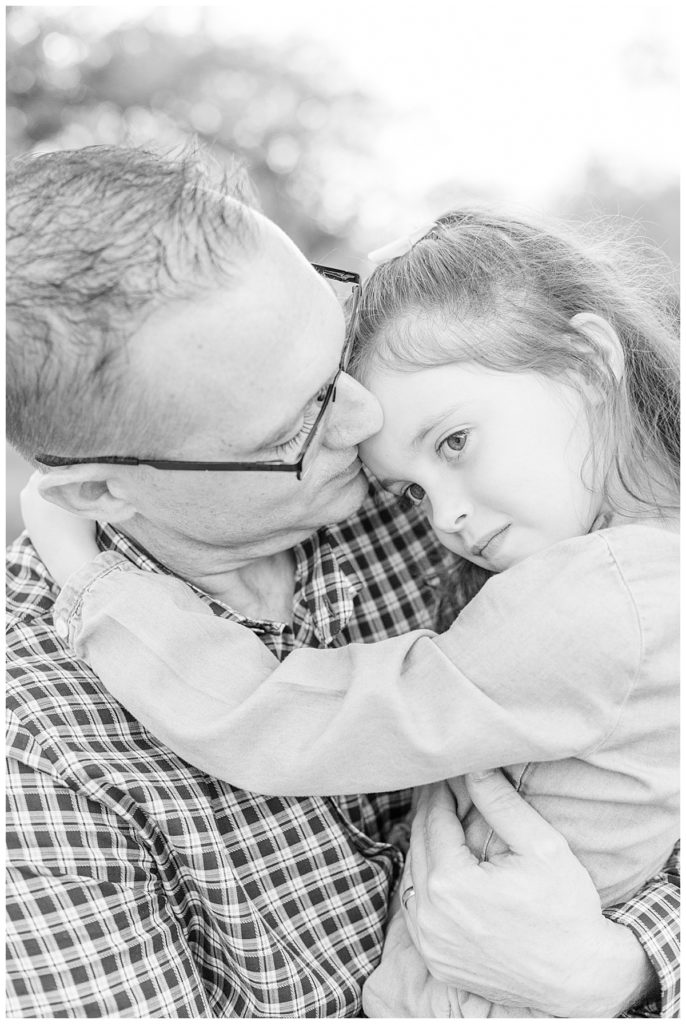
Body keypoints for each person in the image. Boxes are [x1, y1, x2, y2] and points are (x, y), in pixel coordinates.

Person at [6, 147, 679, 1018]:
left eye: (336, 351)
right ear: (98, 491)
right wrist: (97, 589)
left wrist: (621, 975)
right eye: (302, 419)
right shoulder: (32, 746)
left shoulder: (501, 504)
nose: (365, 420)